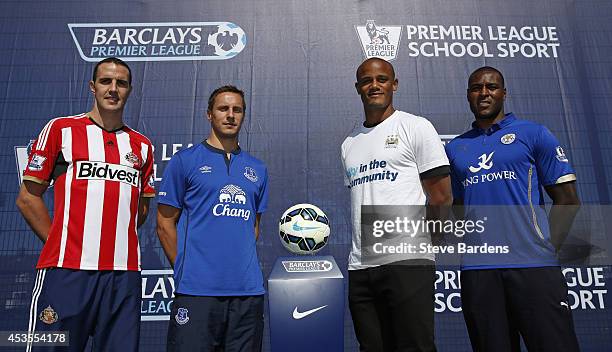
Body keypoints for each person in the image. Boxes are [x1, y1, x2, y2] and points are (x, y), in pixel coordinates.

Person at [16, 57, 156, 351]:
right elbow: (28, 198)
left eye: (121, 83)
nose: (113, 89)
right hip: (67, 271)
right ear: (93, 87)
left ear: (130, 90)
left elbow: (140, 210)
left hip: (123, 275)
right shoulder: (61, 130)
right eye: (106, 81)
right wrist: (62, 241)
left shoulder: (142, 146)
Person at [445, 66, 581, 351]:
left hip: (533, 268)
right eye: (476, 88)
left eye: (491, 87)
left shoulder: (533, 133)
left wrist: (545, 247)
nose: (484, 93)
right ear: (468, 95)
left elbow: (568, 199)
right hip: (480, 273)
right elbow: (456, 207)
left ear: (504, 93)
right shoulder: (456, 148)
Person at [341, 57, 452, 352]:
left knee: (415, 347)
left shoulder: (415, 127)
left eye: (381, 79)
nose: (374, 85)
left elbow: (441, 196)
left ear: (394, 84)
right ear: (357, 88)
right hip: (361, 265)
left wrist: (423, 246)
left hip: (407, 262)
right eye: (366, 81)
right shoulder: (349, 143)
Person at [156, 85, 268, 352]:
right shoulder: (185, 161)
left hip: (247, 293)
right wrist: (188, 267)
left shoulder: (258, 169)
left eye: (237, 110)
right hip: (197, 292)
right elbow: (164, 224)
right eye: (223, 109)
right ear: (209, 114)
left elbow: (253, 226)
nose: (230, 115)